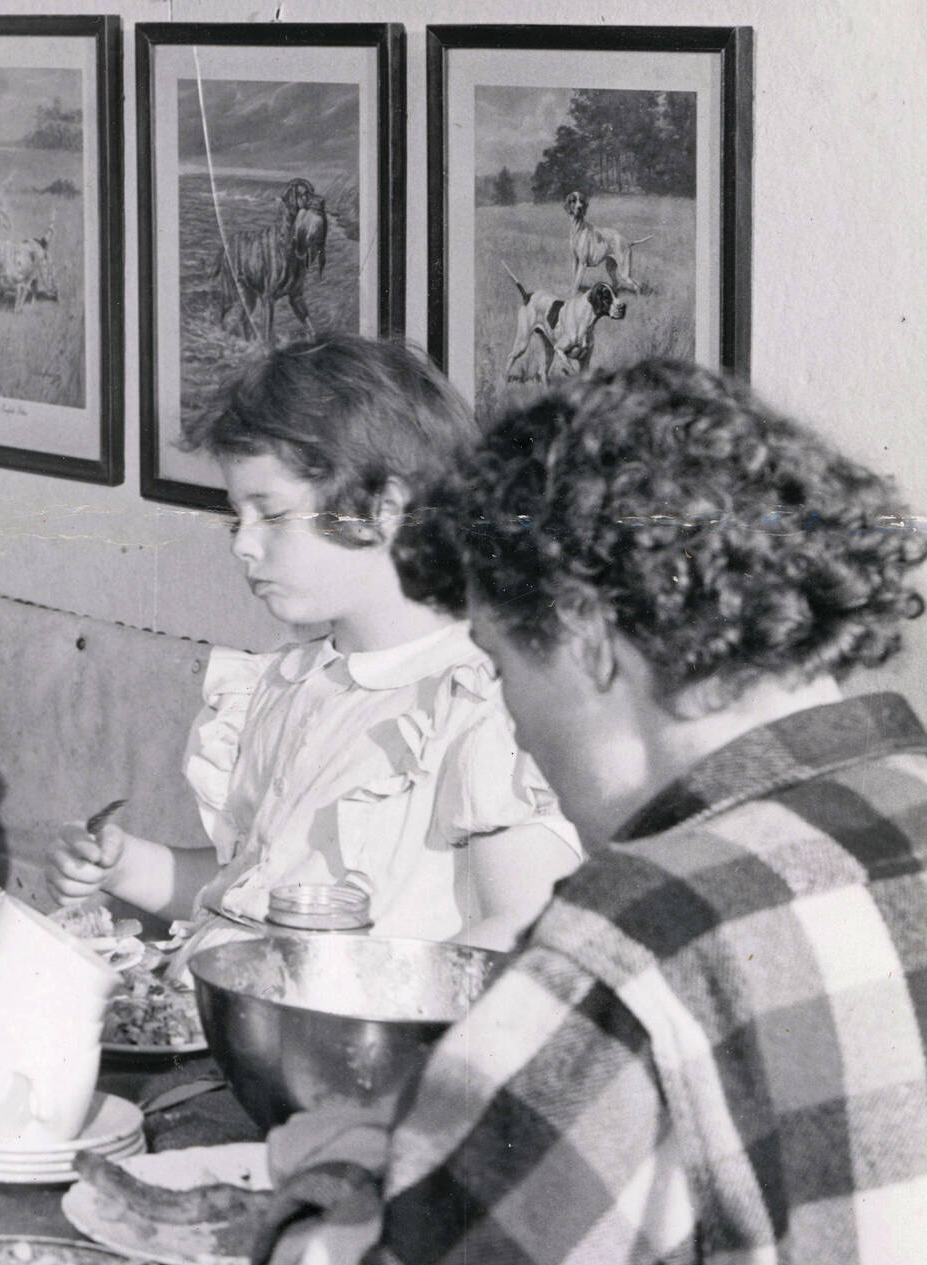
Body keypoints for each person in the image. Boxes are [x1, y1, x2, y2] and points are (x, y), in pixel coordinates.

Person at [250, 358, 927, 1265]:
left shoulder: (648, 928)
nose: (511, 721)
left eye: (495, 661)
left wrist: (338, 1173)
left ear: (584, 638)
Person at [48, 337, 579, 966]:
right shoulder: (284, 683)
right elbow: (245, 895)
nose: (242, 546)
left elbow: (522, 931)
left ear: (382, 513)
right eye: (235, 518)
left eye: (270, 516)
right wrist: (124, 866)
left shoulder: (482, 704)